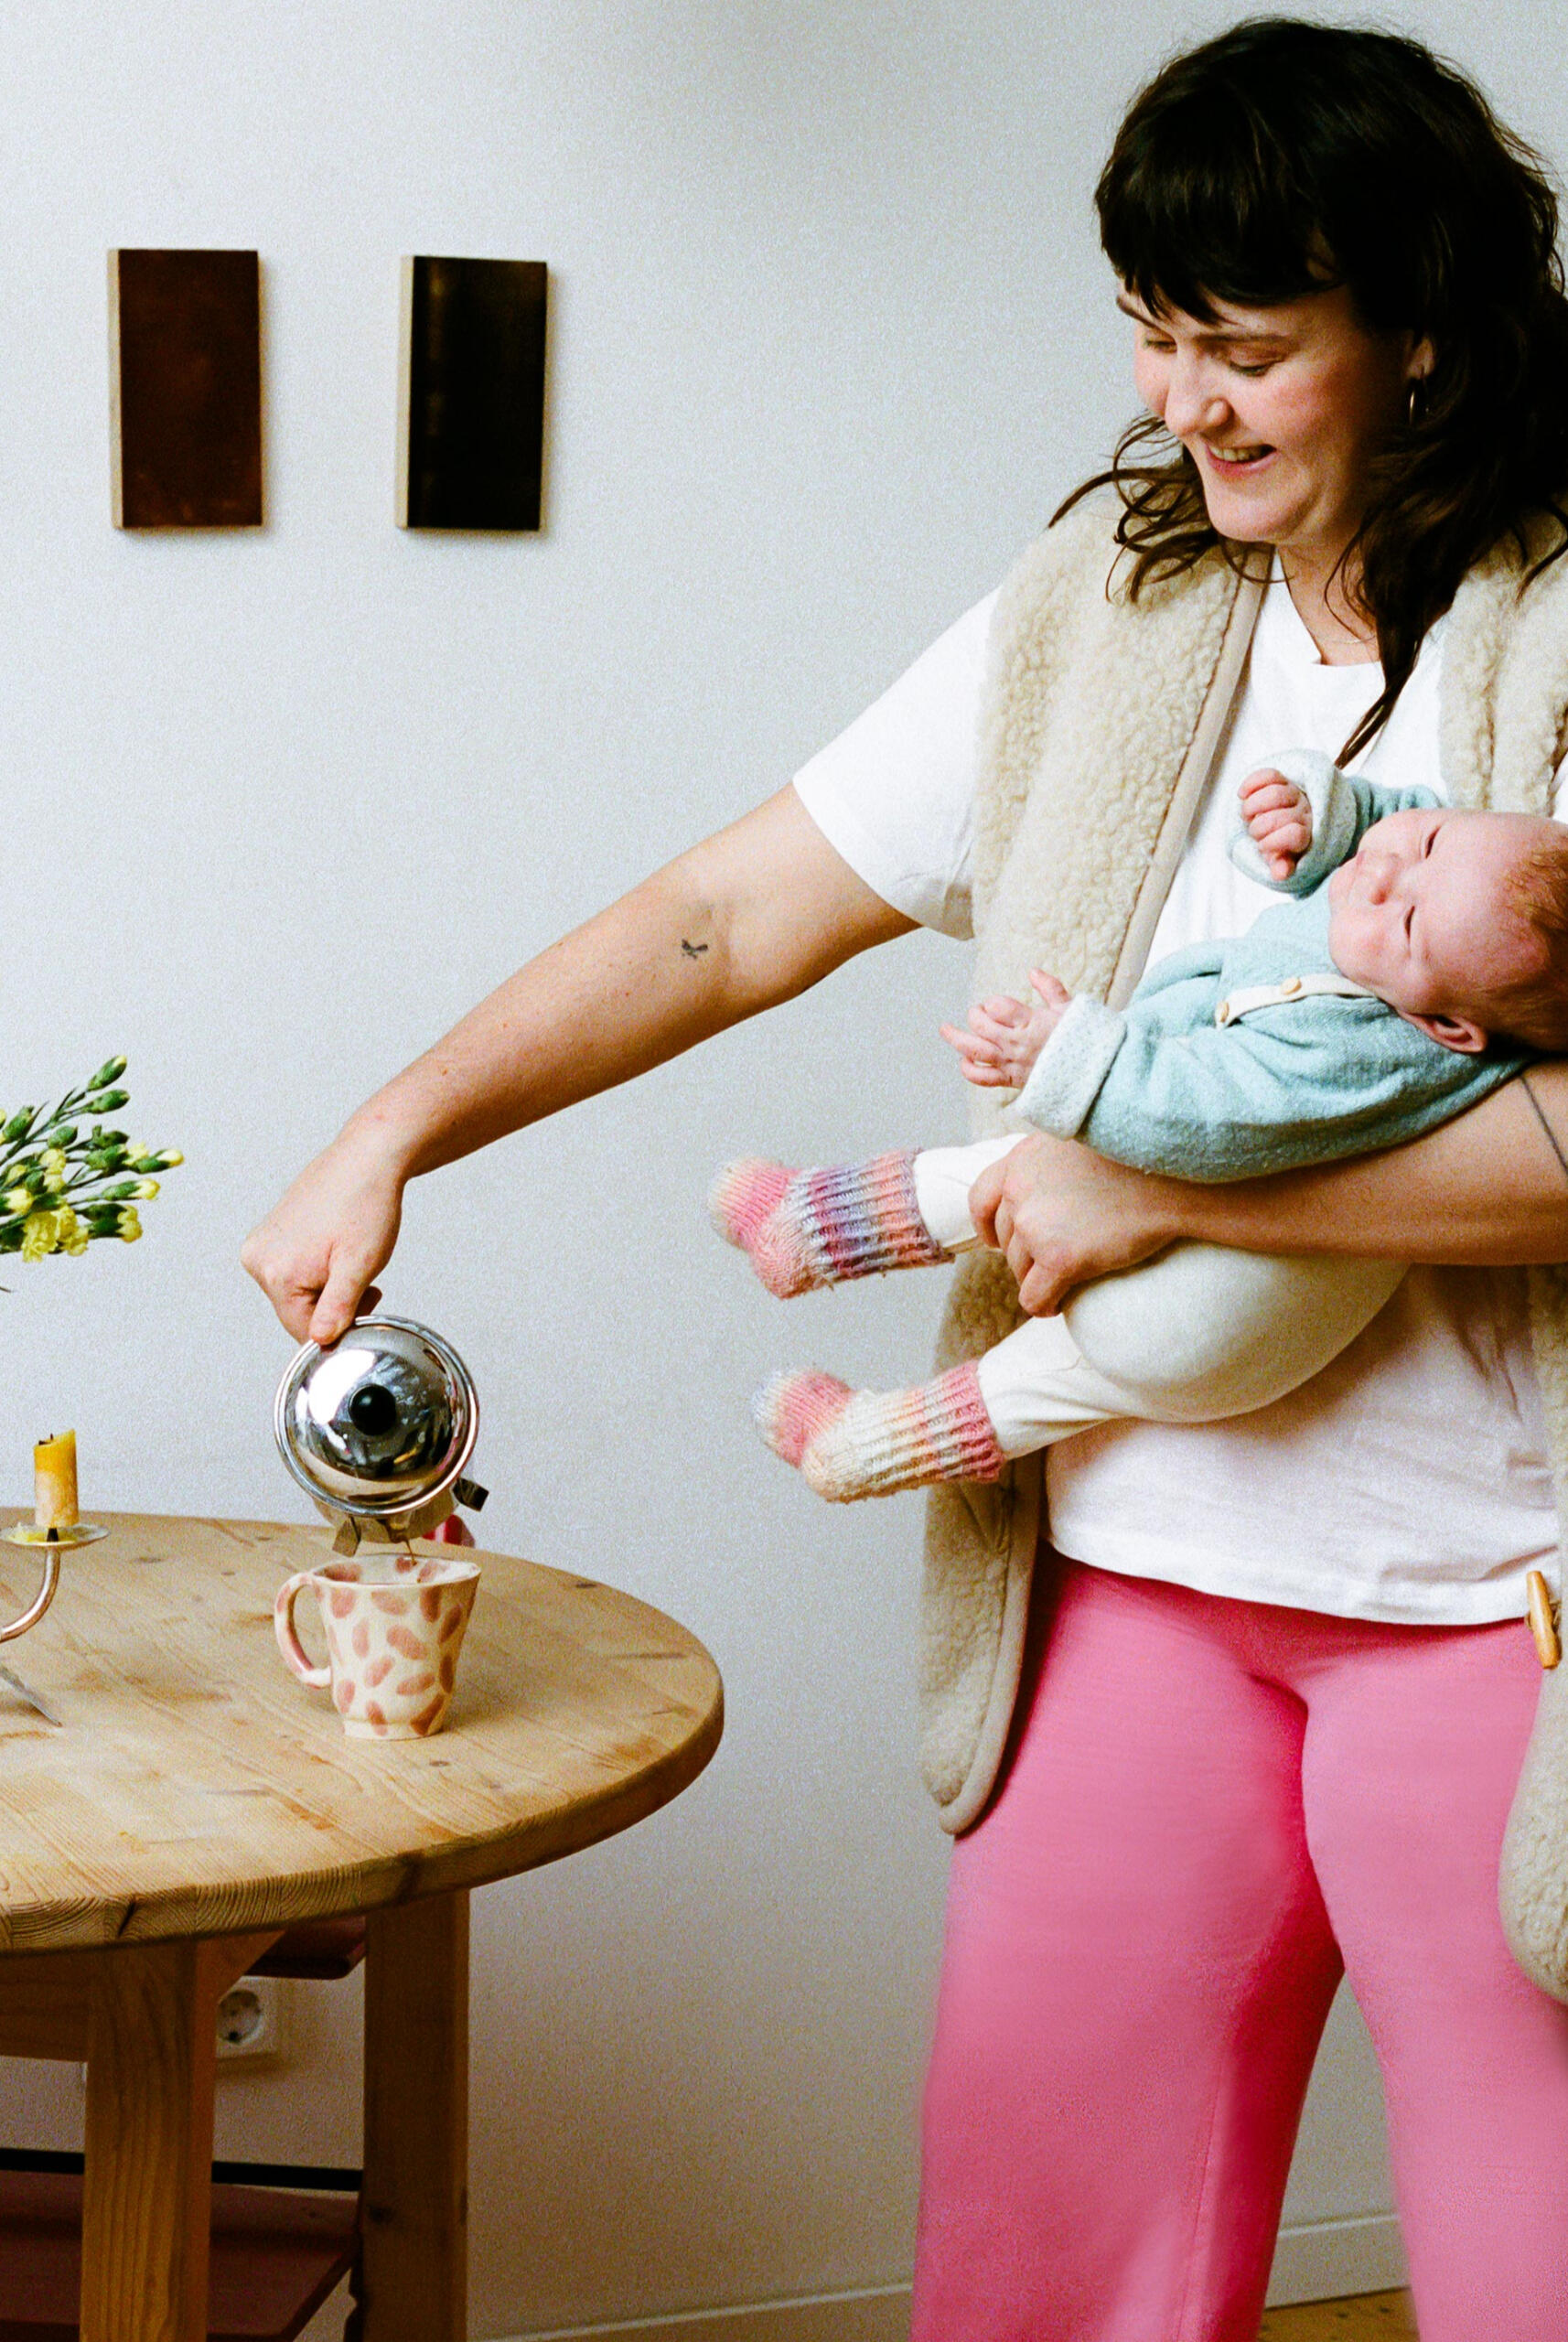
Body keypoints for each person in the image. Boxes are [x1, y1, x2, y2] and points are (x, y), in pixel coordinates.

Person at [243, 20, 1568, 2338]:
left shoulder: (1545, 640)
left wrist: (1167, 1197)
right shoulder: (1111, 607)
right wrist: (394, 1122)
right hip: (1131, 1577)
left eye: (1244, 348)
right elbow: (730, 910)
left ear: (1423, 329)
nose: (1182, 402)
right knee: (1036, 2288)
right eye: (1152, 339)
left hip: (1497, 1610)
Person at [714, 758, 1568, 1500]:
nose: (1383, 877)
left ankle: (818, 1243)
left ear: (1449, 1029)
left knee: (1044, 1196)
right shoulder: (1447, 904)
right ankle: (854, 1416)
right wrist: (1325, 815)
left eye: (1410, 921)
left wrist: (1067, 1058)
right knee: (1042, 1374)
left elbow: (1210, 1112)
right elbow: (1400, 820)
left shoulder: (1356, 1047)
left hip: (1210, 1316)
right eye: (1428, 842)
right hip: (1211, 1320)